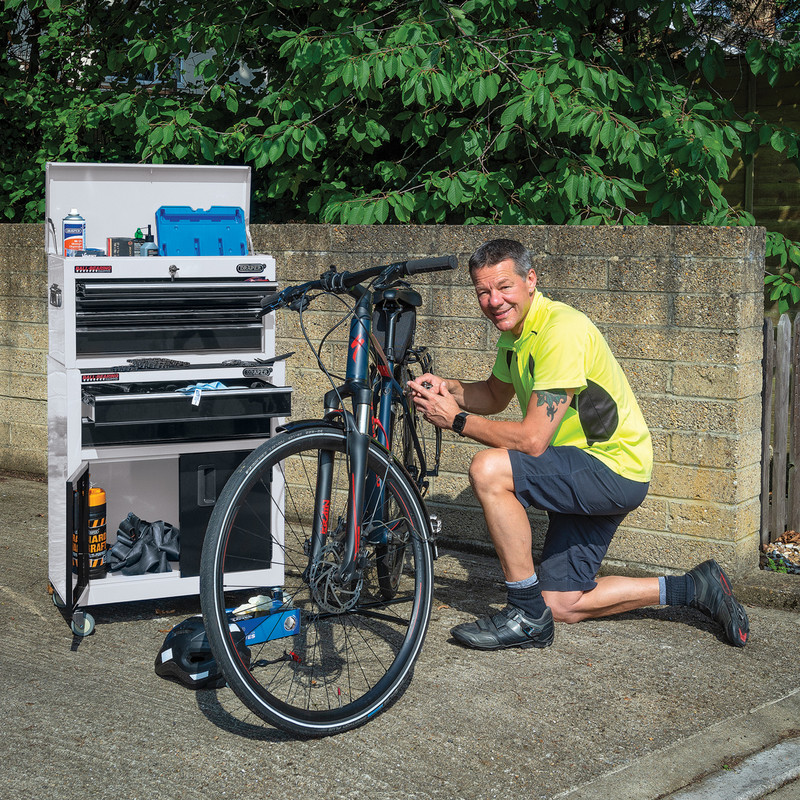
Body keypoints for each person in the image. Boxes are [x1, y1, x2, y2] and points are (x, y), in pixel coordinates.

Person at [407, 238, 750, 651]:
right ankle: (695, 587)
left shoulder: (560, 331)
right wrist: (448, 387)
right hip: (581, 466)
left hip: (611, 468)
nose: (494, 301)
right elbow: (495, 395)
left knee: (489, 468)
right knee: (561, 602)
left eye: (504, 286)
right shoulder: (516, 333)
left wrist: (457, 420)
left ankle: (524, 613)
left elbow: (532, 440)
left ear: (530, 280)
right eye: (483, 291)